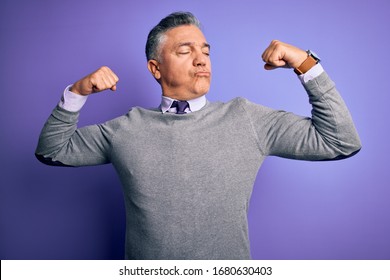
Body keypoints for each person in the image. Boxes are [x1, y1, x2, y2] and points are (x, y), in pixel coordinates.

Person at [35, 11, 361, 259]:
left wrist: (306, 63)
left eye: (205, 50)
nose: (201, 58)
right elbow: (52, 150)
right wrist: (76, 93)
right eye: (185, 50)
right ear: (155, 68)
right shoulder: (125, 128)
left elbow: (339, 141)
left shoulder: (246, 118)